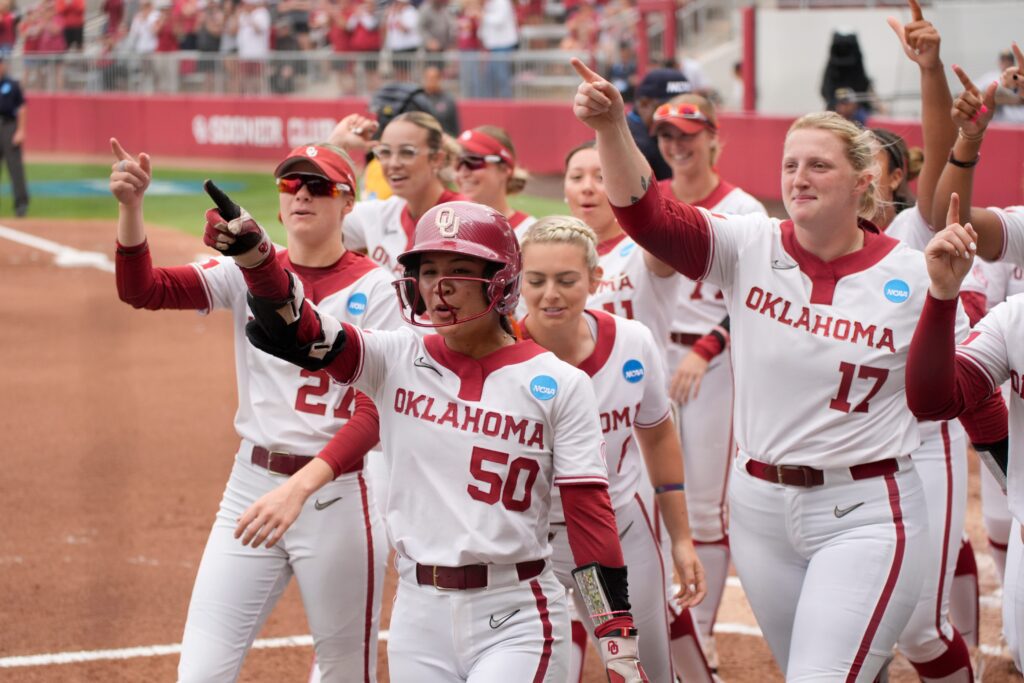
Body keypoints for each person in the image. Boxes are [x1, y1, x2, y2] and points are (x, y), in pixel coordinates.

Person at [570, 55, 990, 681]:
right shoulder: (751, 243)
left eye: (819, 164)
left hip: (866, 509)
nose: (799, 176)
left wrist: (943, 297)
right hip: (761, 508)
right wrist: (611, 129)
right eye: (790, 163)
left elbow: (937, 400)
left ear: (861, 183)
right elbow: (648, 219)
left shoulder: (910, 269)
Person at [218, 199, 651, 682]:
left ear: (501, 280)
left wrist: (617, 641)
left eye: (460, 270)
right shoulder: (393, 357)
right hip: (418, 617)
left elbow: (590, 522)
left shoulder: (561, 385)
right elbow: (302, 330)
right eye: (428, 270)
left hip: (517, 614)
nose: (439, 287)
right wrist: (258, 264)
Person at [108, 138, 397, 682]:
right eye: (291, 185)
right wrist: (131, 208)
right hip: (251, 483)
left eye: (318, 186)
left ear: (349, 203)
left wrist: (302, 487)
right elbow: (143, 289)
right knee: (201, 671)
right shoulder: (246, 269)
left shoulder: (379, 289)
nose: (302, 195)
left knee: (342, 672)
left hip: (336, 494)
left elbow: (374, 412)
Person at [519, 215, 708, 683]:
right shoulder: (498, 350)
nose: (550, 295)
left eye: (566, 280)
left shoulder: (632, 342)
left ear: (595, 278)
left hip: (615, 536)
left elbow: (658, 434)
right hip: (525, 544)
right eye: (536, 280)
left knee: (644, 670)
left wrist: (681, 539)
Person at [651, 92, 766, 672]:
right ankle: (661, 627)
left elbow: (756, 296)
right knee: (644, 497)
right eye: (668, 135)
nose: (677, 145)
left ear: (715, 137)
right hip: (648, 362)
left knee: (703, 508)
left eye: (688, 134)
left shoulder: (743, 208)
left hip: (712, 368)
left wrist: (707, 346)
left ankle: (700, 634)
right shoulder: (656, 199)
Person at [563, 140, 678, 363]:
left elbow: (657, 223)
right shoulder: (551, 254)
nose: (587, 187)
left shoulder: (645, 248)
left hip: (639, 391)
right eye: (576, 177)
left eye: (601, 177)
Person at [340, 111, 465, 276]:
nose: (393, 163)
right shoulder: (381, 213)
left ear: (436, 159)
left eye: (407, 152)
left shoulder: (465, 219)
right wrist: (337, 145)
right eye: (385, 152)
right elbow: (317, 219)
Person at [454, 125, 533, 237]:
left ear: (505, 169)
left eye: (473, 160)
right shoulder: (448, 228)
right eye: (458, 162)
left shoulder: (529, 233)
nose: (463, 172)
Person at [627, 68, 690, 182]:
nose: (678, 114)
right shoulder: (632, 144)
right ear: (644, 104)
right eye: (670, 108)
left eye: (685, 107)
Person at [0, 55, 27, 218]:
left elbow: (22, 107)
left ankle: (21, 204)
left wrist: (21, 130)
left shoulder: (12, 84)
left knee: (14, 167)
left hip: (9, 126)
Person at [422, 65, 460, 136]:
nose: (431, 81)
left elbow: (455, 125)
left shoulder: (447, 100)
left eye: (434, 78)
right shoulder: (419, 99)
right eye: (428, 78)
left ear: (439, 79)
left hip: (444, 140)